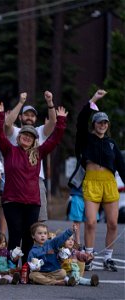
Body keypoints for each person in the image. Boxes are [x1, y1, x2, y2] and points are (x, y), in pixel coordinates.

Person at [0, 100, 67, 263]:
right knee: (15, 234)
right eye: (24, 135)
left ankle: (26, 268)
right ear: (19, 137)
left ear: (34, 140)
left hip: (33, 202)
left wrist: (60, 121)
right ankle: (12, 268)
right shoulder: (9, 150)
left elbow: (54, 139)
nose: (27, 138)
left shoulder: (39, 153)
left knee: (28, 236)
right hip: (12, 201)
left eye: (30, 136)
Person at [75, 89, 125, 272]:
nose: (102, 125)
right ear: (94, 124)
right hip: (92, 182)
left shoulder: (112, 144)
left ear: (108, 125)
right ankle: (88, 256)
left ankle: (108, 258)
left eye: (105, 123)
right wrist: (93, 99)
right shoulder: (86, 139)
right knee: (91, 222)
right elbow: (81, 120)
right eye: (99, 122)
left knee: (112, 223)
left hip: (109, 183)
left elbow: (122, 167)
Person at [4, 91, 57, 222]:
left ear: (35, 119)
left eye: (32, 116)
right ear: (20, 117)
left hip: (37, 180)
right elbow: (6, 124)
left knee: (39, 222)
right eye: (26, 114)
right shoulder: (15, 132)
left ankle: (36, 243)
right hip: (16, 180)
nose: (29, 117)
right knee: (17, 222)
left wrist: (50, 102)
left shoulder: (40, 131)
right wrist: (21, 102)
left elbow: (53, 123)